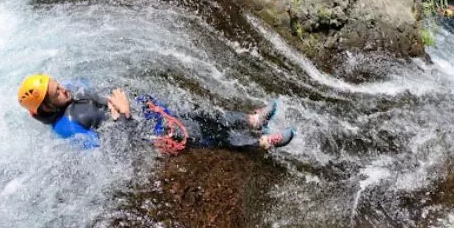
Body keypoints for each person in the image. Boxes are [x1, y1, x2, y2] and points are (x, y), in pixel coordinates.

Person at [16, 74, 294, 151]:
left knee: (202, 112)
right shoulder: (68, 127)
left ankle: (252, 119)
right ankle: (261, 143)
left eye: (58, 84)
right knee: (201, 133)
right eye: (56, 92)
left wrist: (118, 100)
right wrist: (122, 115)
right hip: (147, 131)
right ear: (48, 107)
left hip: (147, 110)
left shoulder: (72, 93)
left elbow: (93, 87)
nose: (63, 89)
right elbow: (113, 150)